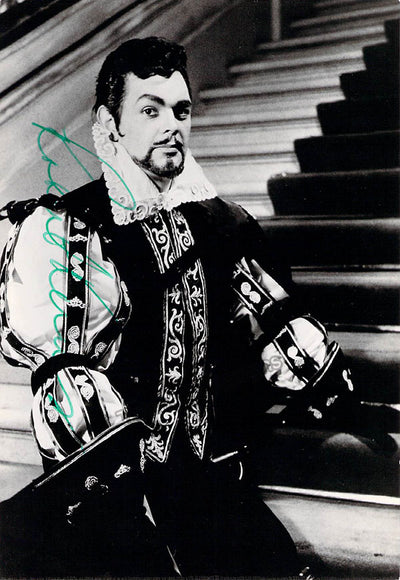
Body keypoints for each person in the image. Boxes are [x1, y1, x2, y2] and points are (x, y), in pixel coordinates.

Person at [0, 37, 354, 578]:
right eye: (151, 110)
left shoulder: (222, 221)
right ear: (110, 124)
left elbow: (276, 330)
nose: (172, 126)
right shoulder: (69, 227)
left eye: (181, 111)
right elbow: (70, 401)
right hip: (120, 496)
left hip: (213, 474)